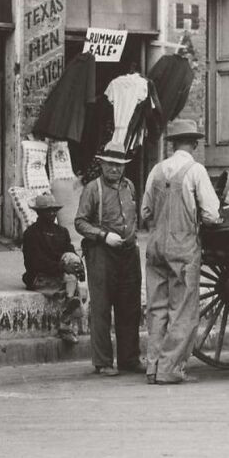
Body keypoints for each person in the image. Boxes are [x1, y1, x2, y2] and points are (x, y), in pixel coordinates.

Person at [141, 119, 221, 385]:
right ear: (195, 144)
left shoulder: (156, 170)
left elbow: (145, 212)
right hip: (183, 247)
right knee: (183, 310)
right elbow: (211, 214)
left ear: (173, 144)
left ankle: (152, 368)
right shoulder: (195, 171)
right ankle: (170, 369)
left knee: (157, 308)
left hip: (154, 246)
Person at [75, 142, 144, 377]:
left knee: (130, 306)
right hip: (102, 253)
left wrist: (131, 238)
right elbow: (80, 222)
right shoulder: (93, 189)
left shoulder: (130, 187)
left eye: (119, 165)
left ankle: (129, 359)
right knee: (102, 308)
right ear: (102, 164)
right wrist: (104, 236)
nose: (115, 169)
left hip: (128, 252)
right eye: (110, 164)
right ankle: (103, 362)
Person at [22, 194, 85, 345]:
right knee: (71, 286)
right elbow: (35, 262)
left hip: (61, 274)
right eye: (47, 211)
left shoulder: (62, 232)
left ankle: (67, 316)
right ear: (39, 213)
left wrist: (78, 266)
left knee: (72, 267)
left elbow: (70, 250)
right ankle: (66, 322)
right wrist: (61, 267)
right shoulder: (31, 233)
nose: (52, 214)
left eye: (54, 210)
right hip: (40, 275)